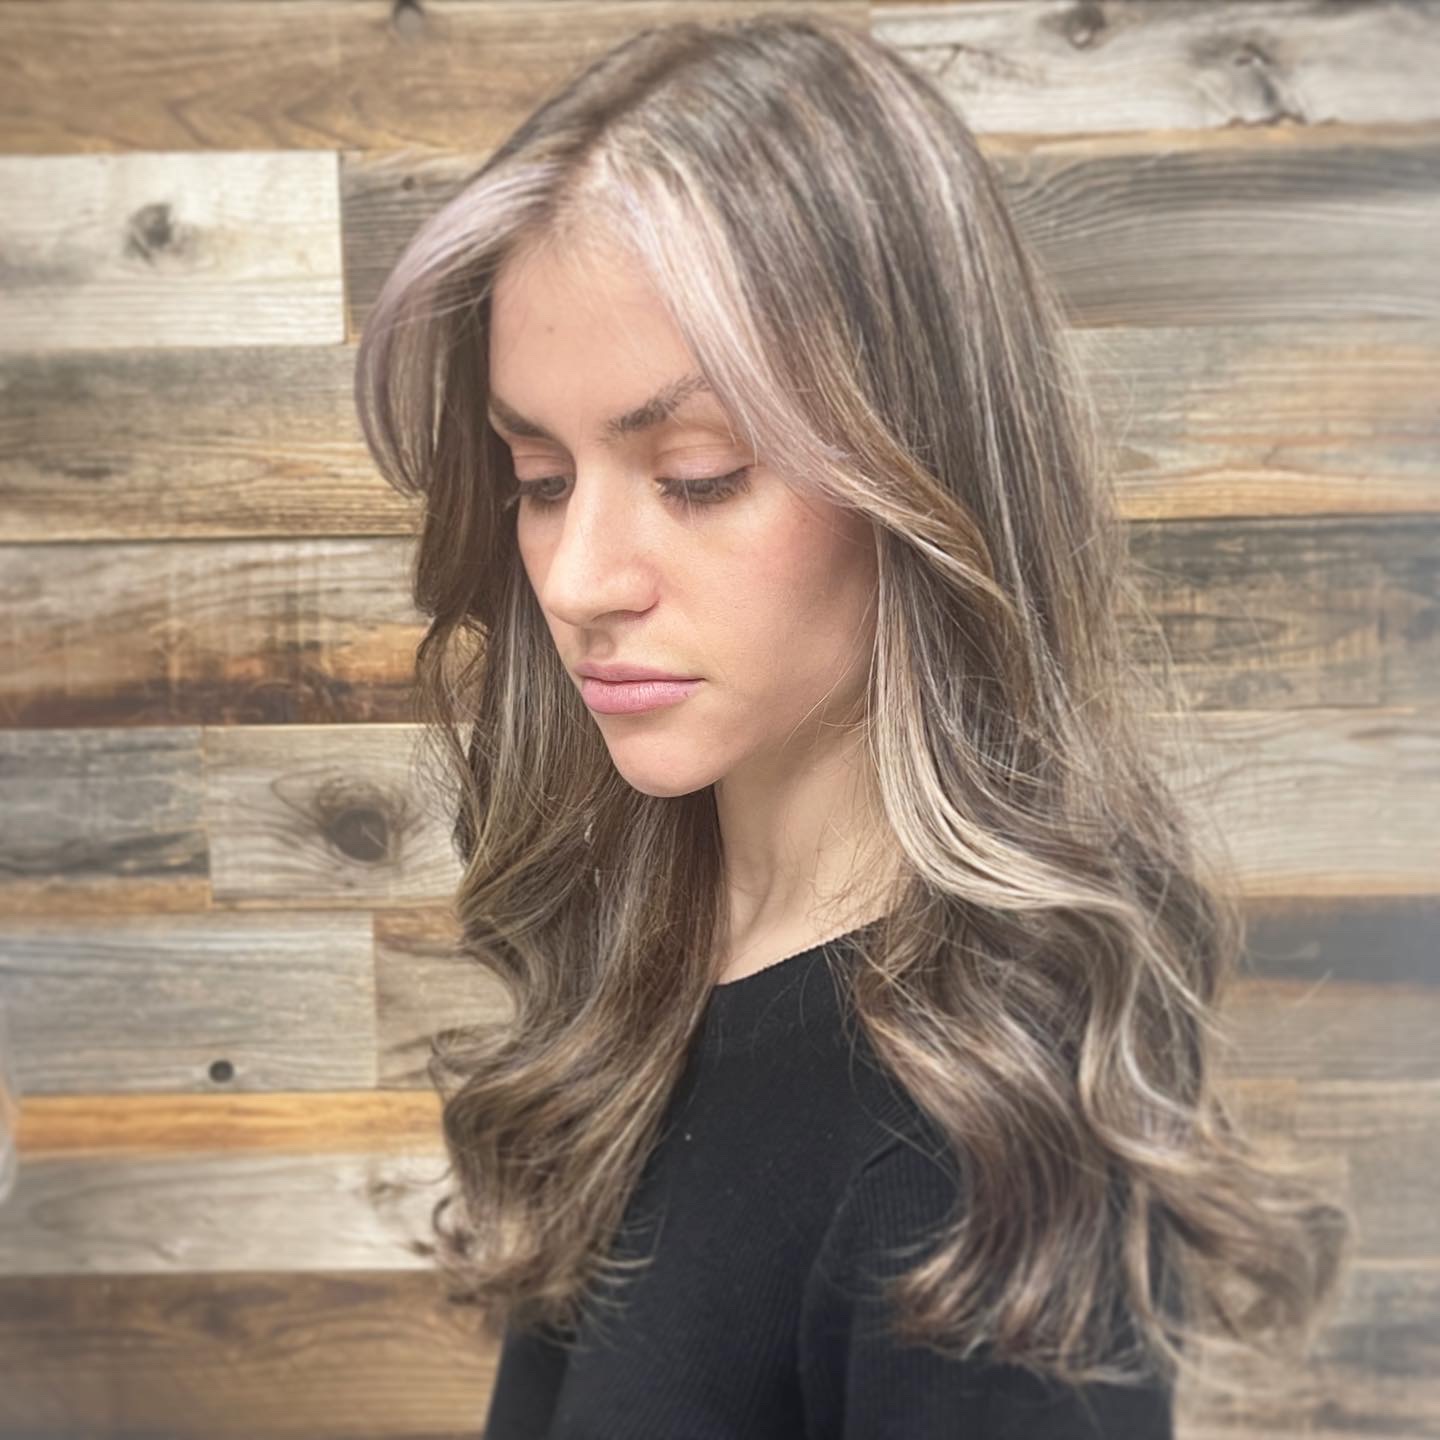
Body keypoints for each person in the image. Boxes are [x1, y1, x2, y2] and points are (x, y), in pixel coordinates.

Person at [352, 14, 1354, 1438]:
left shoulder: (961, 1160)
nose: (576, 580)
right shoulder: (668, 971)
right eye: (541, 477)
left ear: (916, 472)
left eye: (697, 474)